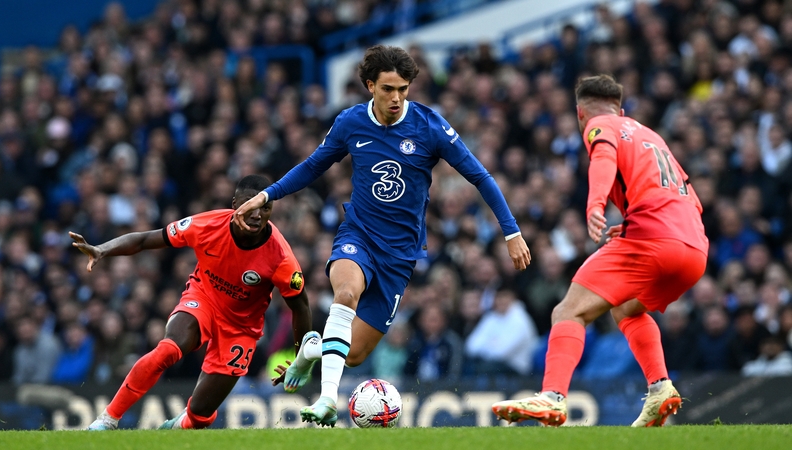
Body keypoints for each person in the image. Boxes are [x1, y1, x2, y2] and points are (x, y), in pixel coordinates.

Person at [233, 45, 531, 427]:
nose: (396, 98)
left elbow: (480, 176)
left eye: (403, 89)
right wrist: (267, 193)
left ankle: (310, 350)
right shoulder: (350, 123)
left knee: (353, 354)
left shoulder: (429, 126)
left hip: (400, 256)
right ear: (370, 85)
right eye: (388, 88)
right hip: (357, 234)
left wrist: (511, 231)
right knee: (345, 293)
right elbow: (312, 167)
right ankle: (327, 401)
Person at [492, 74, 708, 427]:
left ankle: (553, 397)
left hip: (653, 241)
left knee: (568, 312)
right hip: (694, 248)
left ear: (580, 115)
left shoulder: (600, 126)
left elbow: (603, 159)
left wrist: (595, 205)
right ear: (622, 109)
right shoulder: (651, 136)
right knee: (625, 308)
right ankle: (660, 388)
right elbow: (685, 198)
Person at [78, 174, 312, 430]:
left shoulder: (281, 257)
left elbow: (300, 307)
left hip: (241, 328)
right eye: (251, 206)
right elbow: (147, 239)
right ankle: (108, 419)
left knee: (200, 414)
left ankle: (179, 425)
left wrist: (302, 360)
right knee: (168, 349)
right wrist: (104, 249)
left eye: (265, 208)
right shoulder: (207, 225)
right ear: (235, 204)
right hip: (203, 298)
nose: (257, 214)